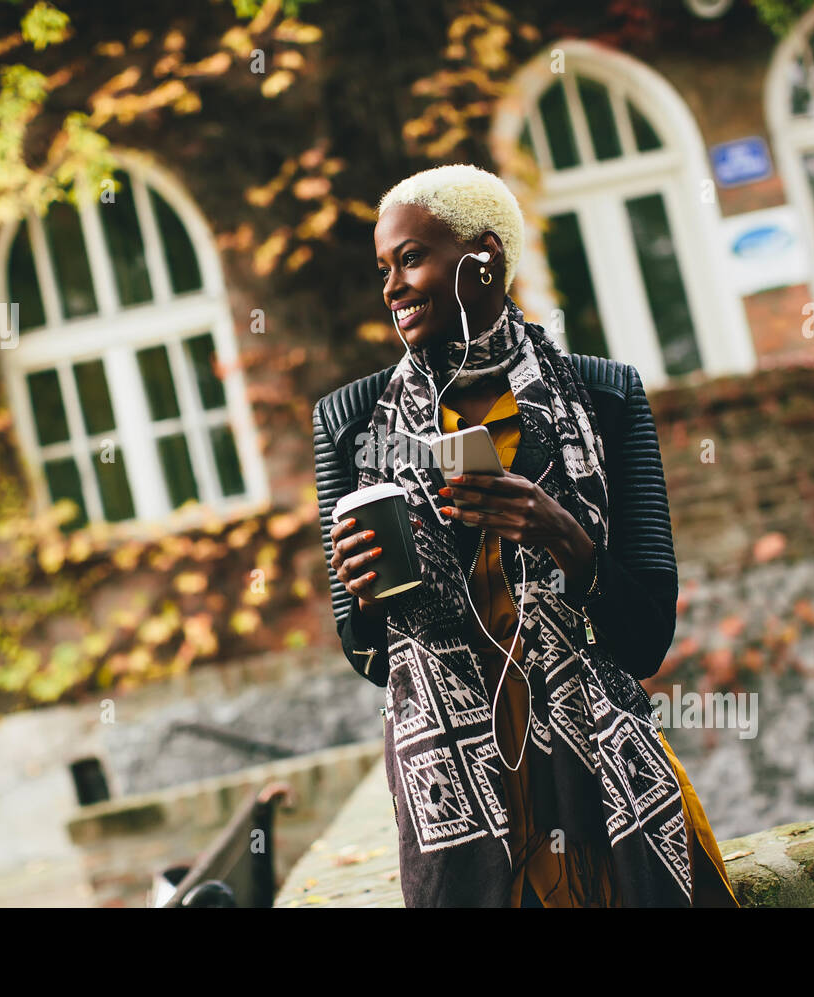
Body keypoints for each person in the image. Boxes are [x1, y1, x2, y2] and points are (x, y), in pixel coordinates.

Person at [313, 163, 738, 908]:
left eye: (411, 258)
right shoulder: (350, 425)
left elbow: (645, 638)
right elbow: (369, 655)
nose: (392, 287)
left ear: (484, 260)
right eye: (384, 267)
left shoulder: (605, 394)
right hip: (458, 794)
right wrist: (362, 587)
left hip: (604, 775)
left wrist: (561, 534)